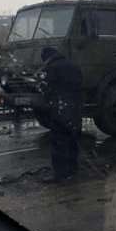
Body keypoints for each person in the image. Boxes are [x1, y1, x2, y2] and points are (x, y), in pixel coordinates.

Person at [39, 47, 83, 183]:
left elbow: (45, 89)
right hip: (74, 108)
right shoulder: (73, 65)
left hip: (59, 109)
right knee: (72, 139)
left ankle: (60, 174)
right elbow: (80, 84)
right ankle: (73, 169)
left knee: (58, 142)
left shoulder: (51, 68)